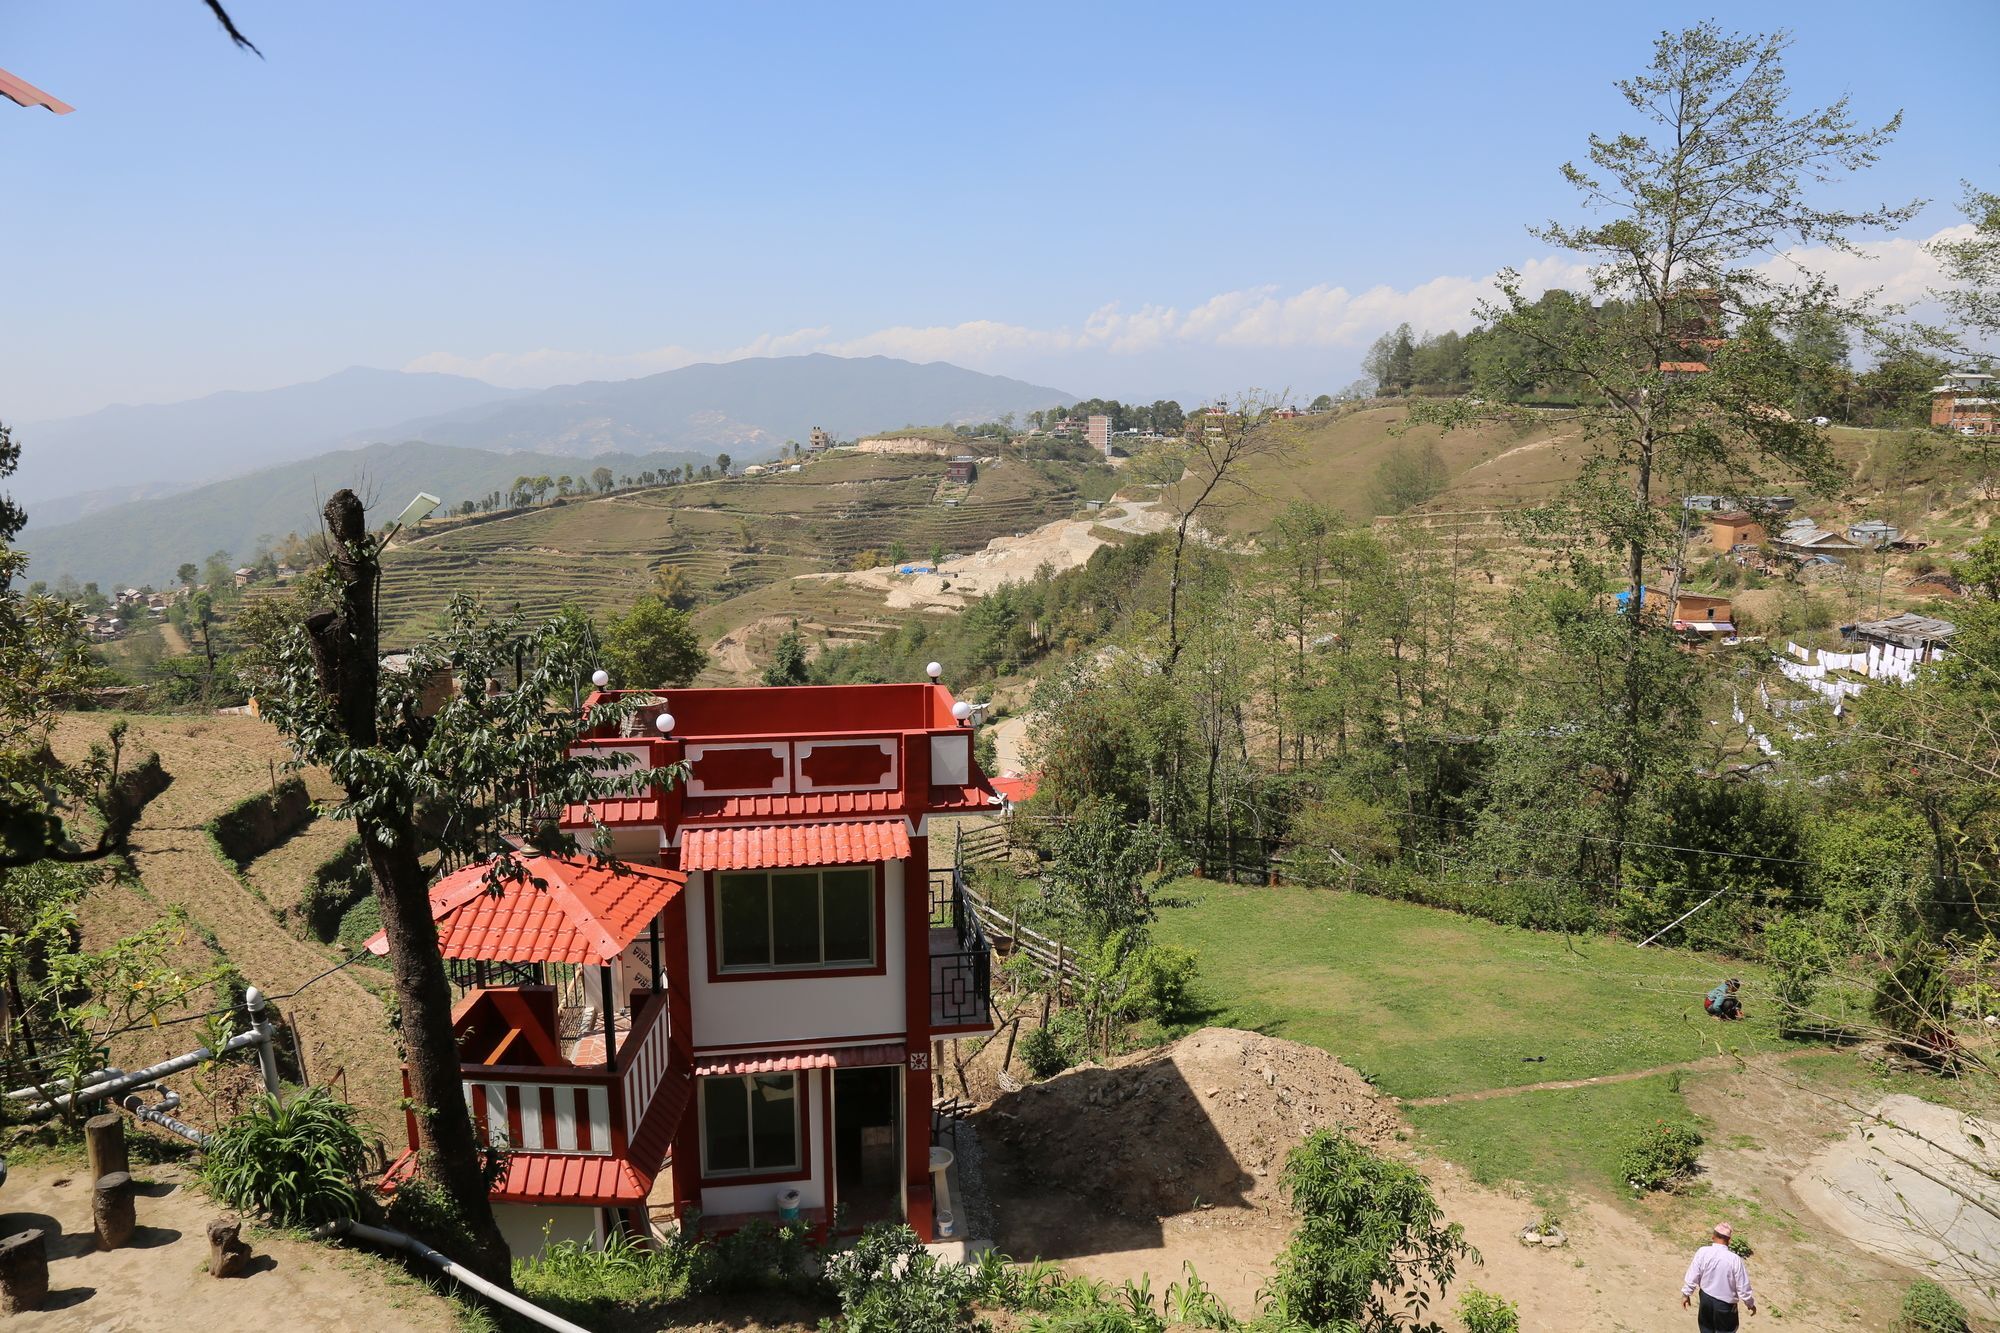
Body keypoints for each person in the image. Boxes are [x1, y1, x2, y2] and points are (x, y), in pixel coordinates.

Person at [1682, 1222, 1755, 1329]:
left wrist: (1686, 1294)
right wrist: (1750, 1304)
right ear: (1729, 1241)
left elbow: (1693, 1275)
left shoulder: (1703, 1252)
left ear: (1713, 1237)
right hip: (1725, 1305)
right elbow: (1743, 1287)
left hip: (1705, 1300)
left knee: (1706, 1329)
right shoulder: (1734, 1260)